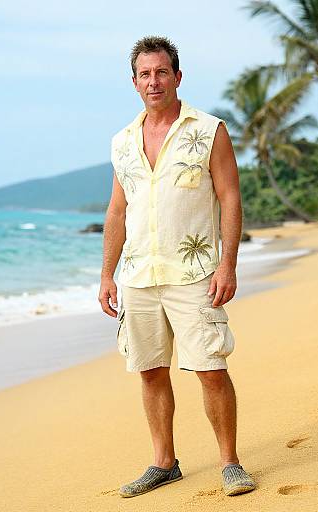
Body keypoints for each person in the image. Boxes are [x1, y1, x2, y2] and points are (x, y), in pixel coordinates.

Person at [98, 35, 256, 498]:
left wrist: (228, 265)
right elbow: (116, 211)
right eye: (145, 74)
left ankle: (230, 462)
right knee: (150, 370)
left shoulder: (209, 130)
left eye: (162, 72)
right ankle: (164, 463)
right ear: (134, 82)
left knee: (210, 367)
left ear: (177, 77)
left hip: (195, 272)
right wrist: (107, 274)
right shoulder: (122, 142)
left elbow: (230, 197)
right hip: (139, 276)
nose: (154, 81)